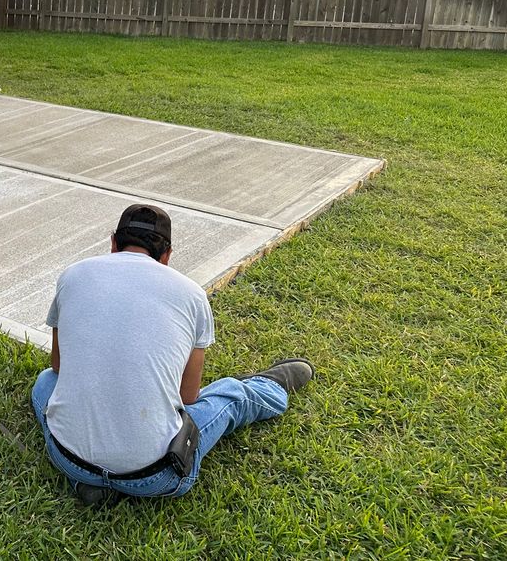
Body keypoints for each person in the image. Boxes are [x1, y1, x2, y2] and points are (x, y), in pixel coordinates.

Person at [31, 203, 313, 505]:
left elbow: (58, 365)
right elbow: (189, 397)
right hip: (156, 476)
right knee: (228, 399)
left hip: (68, 457)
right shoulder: (192, 295)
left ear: (113, 243)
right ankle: (269, 387)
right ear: (166, 255)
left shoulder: (73, 275)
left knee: (46, 382)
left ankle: (86, 482)